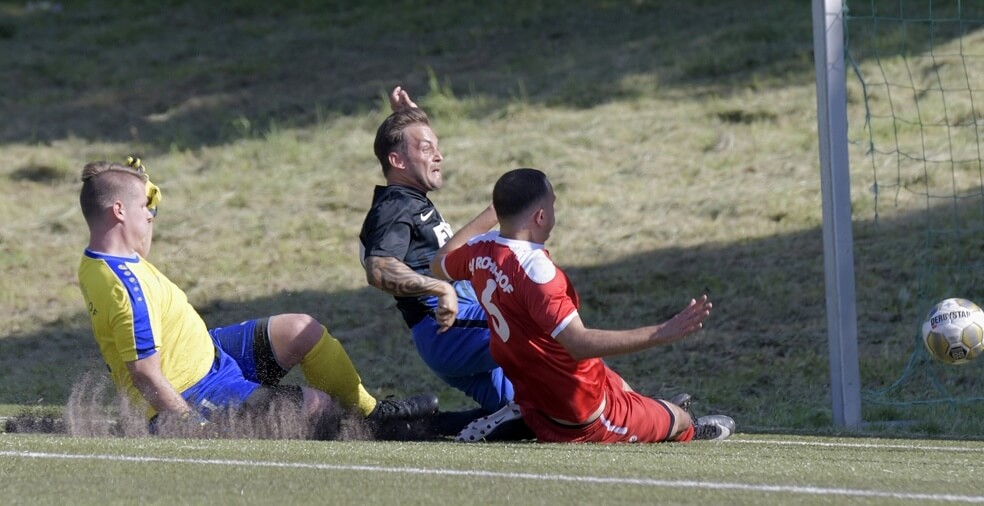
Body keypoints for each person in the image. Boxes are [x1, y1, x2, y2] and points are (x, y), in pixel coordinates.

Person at [77, 158, 438, 438]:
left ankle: (372, 414)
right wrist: (192, 426)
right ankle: (364, 433)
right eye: (145, 207)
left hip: (210, 354)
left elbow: (136, 241)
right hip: (190, 393)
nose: (151, 215)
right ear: (119, 212)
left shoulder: (109, 258)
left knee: (302, 330)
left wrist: (141, 189)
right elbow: (145, 373)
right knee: (318, 406)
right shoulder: (125, 286)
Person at [430, 168, 735, 443]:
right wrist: (662, 332)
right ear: (540, 216)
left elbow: (439, 262)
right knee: (677, 420)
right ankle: (687, 426)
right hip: (579, 414)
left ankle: (646, 409)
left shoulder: (480, 252)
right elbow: (579, 344)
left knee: (622, 386)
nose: (553, 212)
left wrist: (496, 210)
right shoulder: (537, 271)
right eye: (552, 205)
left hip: (536, 388)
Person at [359, 87, 526, 439]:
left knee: (530, 414)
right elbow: (378, 267)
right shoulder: (395, 205)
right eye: (426, 148)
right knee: (546, 325)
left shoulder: (410, 198)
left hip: (452, 335)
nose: (439, 156)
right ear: (397, 161)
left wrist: (413, 118)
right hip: (450, 329)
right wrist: (439, 288)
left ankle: (416, 425)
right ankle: (640, 410)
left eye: (437, 147)